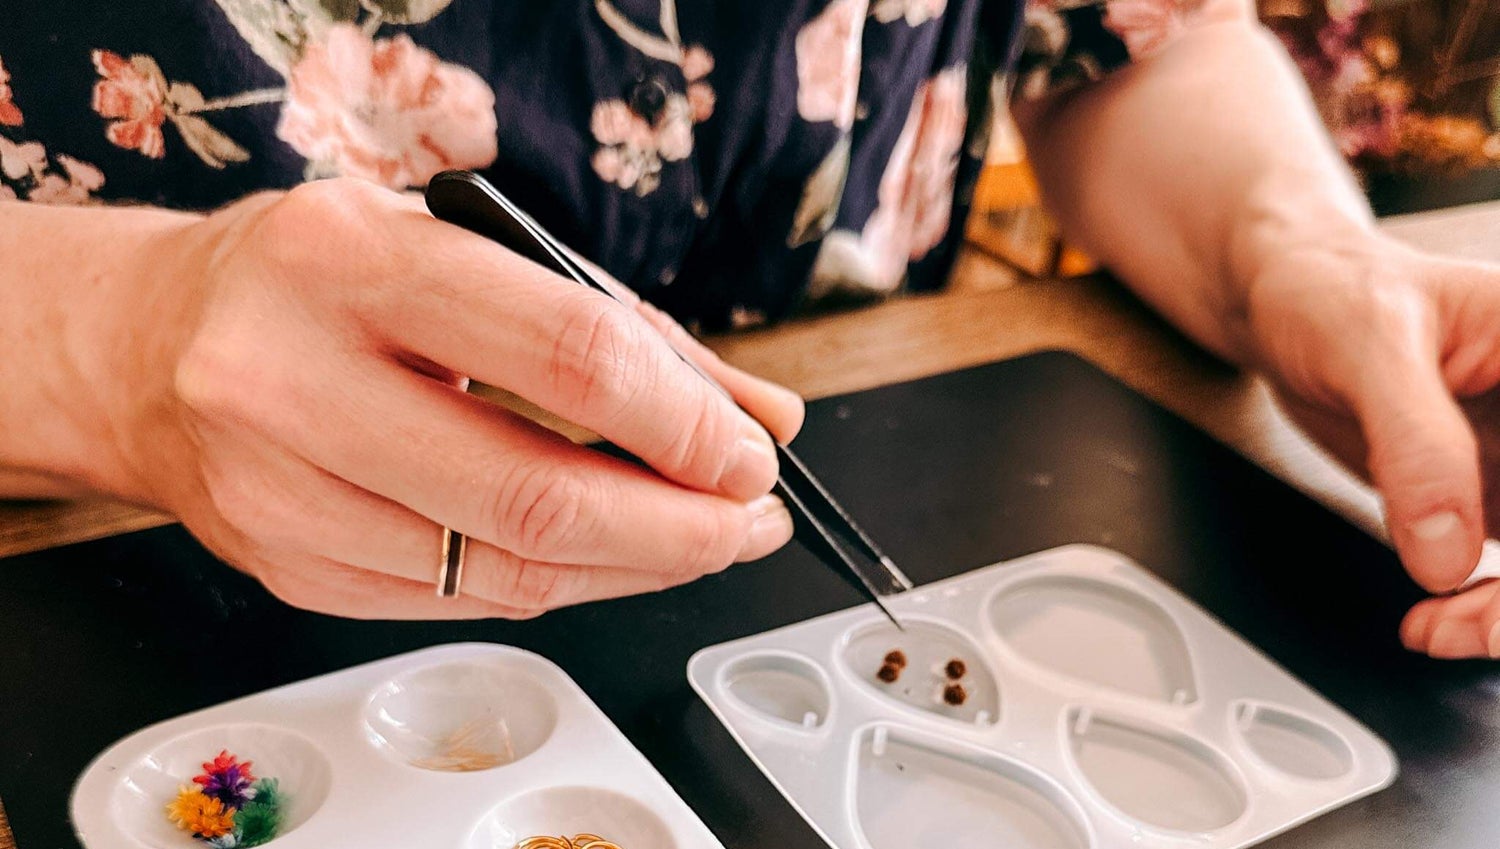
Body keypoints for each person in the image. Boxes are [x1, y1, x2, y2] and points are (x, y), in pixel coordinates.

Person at [0, 0, 1495, 654]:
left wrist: (1293, 247)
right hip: (95, 572)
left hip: (889, 447)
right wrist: (119, 347)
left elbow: (1132, 41)